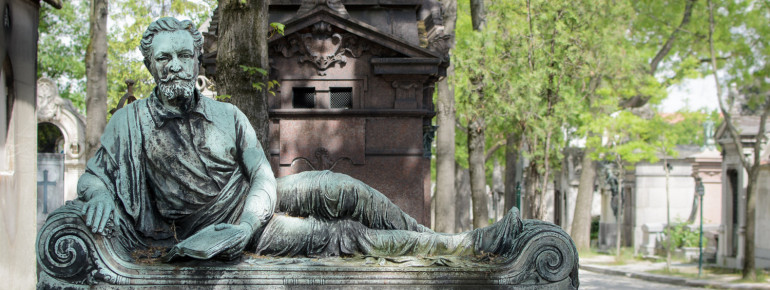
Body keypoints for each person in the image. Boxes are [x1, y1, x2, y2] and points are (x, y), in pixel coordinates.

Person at [73, 17, 521, 262]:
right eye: (163, 58)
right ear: (151, 65)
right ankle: (463, 247)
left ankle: (441, 240)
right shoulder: (128, 124)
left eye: (183, 55)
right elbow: (96, 178)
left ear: (196, 62)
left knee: (339, 187)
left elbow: (263, 177)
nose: (174, 65)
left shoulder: (228, 115)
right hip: (210, 228)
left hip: (250, 209)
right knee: (342, 235)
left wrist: (246, 223)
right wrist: (96, 195)